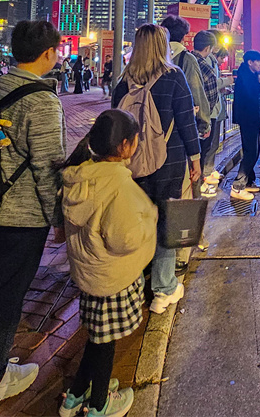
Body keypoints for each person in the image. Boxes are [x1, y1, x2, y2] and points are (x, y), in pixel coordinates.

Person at [0, 20, 66, 416]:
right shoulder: (41, 101)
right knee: (9, 291)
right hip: (19, 214)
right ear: (48, 54)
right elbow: (47, 168)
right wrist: (58, 217)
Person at [58, 109, 154, 417]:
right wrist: (149, 218)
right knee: (105, 343)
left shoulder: (80, 175)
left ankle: (74, 395)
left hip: (89, 274)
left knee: (97, 339)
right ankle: (100, 404)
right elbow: (124, 238)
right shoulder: (118, 187)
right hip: (112, 277)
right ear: (126, 145)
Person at [111, 24, 200, 315]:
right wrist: (195, 159)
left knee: (137, 223)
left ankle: (133, 287)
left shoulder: (124, 82)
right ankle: (163, 289)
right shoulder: (174, 78)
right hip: (169, 162)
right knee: (167, 222)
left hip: (130, 166)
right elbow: (187, 123)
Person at [160, 15, 211, 140]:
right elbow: (196, 90)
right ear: (183, 37)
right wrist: (204, 123)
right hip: (179, 121)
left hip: (155, 120)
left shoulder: (155, 56)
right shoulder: (187, 59)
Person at [230, 50, 260, 202]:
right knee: (251, 151)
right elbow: (250, 96)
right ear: (250, 62)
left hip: (253, 118)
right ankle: (238, 186)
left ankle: (249, 181)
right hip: (248, 119)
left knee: (252, 150)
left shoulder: (250, 75)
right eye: (257, 61)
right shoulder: (245, 76)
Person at [191, 30, 224, 196]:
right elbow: (210, 96)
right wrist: (206, 120)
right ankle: (199, 185)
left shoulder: (184, 59)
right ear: (209, 47)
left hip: (186, 117)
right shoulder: (205, 65)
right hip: (201, 118)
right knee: (202, 151)